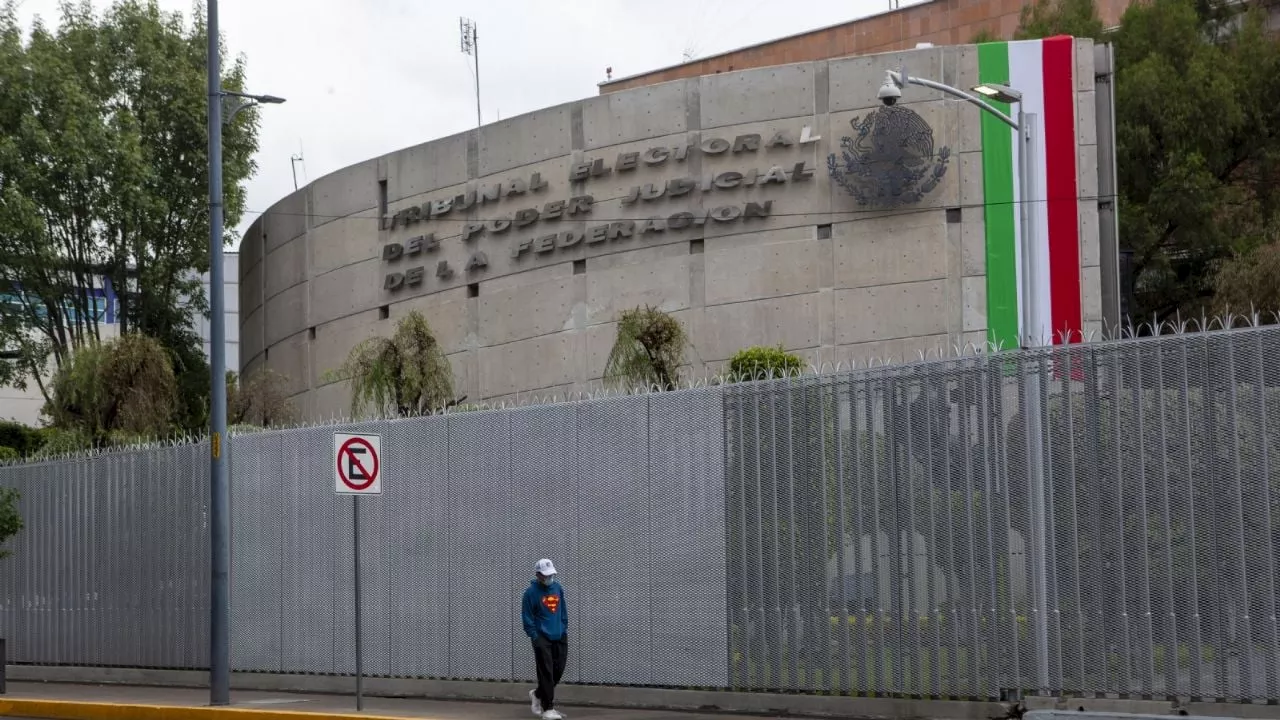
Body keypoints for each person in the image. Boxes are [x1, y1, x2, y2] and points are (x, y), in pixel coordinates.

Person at [522, 558, 568, 720]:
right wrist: (534, 636)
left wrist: (564, 627)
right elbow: (527, 617)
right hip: (542, 637)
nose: (549, 578)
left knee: (558, 669)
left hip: (560, 635)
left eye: (551, 574)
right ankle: (548, 708)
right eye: (546, 575)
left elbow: (562, 610)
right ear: (538, 575)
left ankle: (537, 694)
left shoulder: (557, 588)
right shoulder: (530, 593)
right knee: (546, 672)